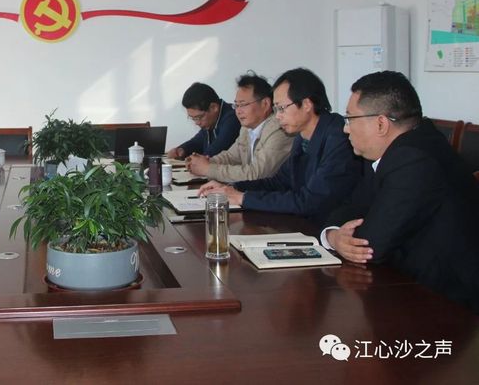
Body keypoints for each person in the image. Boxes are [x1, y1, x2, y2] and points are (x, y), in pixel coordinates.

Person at [322, 71, 479, 312]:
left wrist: (342, 239)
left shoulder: (414, 158)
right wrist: (333, 235)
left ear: (381, 124)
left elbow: (370, 246)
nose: (345, 129)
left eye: (350, 119)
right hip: (411, 282)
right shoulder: (394, 149)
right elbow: (350, 206)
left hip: (449, 302)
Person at [200, 68, 361, 223]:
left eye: (281, 108)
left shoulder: (338, 138)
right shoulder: (302, 137)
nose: (277, 117)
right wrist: (231, 188)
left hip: (332, 230)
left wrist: (243, 198)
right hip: (306, 224)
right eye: (276, 109)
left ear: (306, 104)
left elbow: (308, 201)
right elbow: (278, 182)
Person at [186, 72, 294, 182]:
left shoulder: (279, 130)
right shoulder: (246, 129)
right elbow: (231, 157)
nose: (238, 111)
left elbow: (257, 174)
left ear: (265, 104)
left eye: (243, 105)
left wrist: (208, 169)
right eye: (236, 105)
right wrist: (204, 162)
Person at [166, 82, 239, 160]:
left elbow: (216, 150)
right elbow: (198, 141)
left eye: (198, 117)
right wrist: (182, 149)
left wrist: (196, 161)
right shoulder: (211, 121)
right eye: (193, 118)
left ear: (213, 107)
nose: (197, 123)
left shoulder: (232, 118)